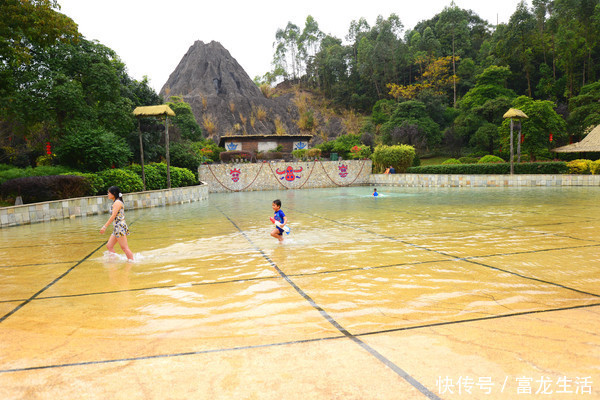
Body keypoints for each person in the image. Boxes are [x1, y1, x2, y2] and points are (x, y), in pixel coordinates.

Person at [100, 186, 134, 261]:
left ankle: (131, 262)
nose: (107, 194)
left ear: (114, 193)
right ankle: (113, 261)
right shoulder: (116, 202)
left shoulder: (117, 203)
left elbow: (113, 216)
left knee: (124, 248)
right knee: (109, 246)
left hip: (119, 227)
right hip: (117, 227)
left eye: (109, 193)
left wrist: (104, 227)